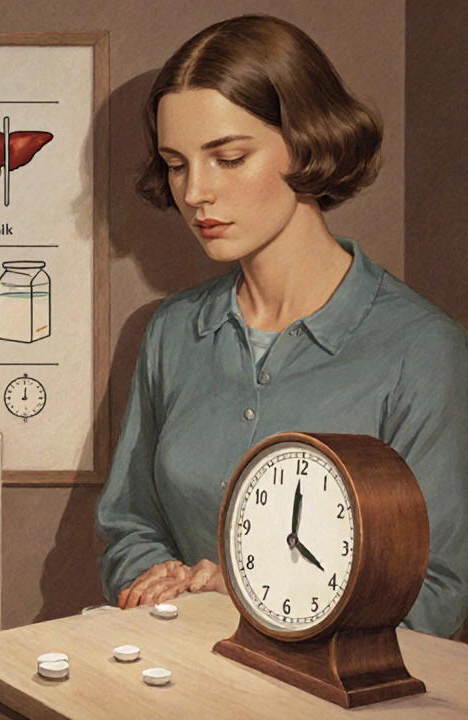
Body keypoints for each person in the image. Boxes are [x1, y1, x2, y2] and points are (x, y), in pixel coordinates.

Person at [95, 14, 468, 637]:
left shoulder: (423, 350)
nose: (195, 193)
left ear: (309, 142)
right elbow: (128, 525)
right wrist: (159, 581)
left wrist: (248, 604)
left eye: (228, 158)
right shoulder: (172, 332)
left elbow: (435, 597)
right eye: (177, 164)